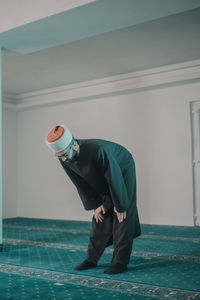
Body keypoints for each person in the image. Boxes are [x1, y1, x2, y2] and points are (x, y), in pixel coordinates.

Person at [45, 125, 141, 274]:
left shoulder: (98, 150)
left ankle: (120, 261)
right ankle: (91, 259)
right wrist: (96, 204)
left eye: (64, 154)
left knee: (123, 215)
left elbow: (114, 178)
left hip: (122, 168)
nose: (63, 159)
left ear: (74, 144)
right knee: (100, 215)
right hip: (102, 173)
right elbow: (79, 181)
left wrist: (120, 204)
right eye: (59, 156)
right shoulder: (64, 157)